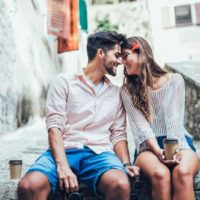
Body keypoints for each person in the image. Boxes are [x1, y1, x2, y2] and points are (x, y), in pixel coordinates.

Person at [17, 31, 139, 200]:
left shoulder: (117, 93)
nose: (120, 61)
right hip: (64, 150)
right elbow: (54, 126)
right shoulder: (63, 82)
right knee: (28, 186)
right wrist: (62, 166)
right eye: (117, 55)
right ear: (100, 53)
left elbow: (118, 134)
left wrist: (125, 164)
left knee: (121, 184)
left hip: (100, 154)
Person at [120, 36, 199, 200]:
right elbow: (142, 127)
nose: (122, 62)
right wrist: (157, 150)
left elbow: (173, 120)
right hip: (147, 147)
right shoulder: (126, 90)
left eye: (125, 55)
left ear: (141, 53)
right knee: (160, 174)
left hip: (179, 141)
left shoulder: (174, 80)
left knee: (183, 173)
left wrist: (172, 152)